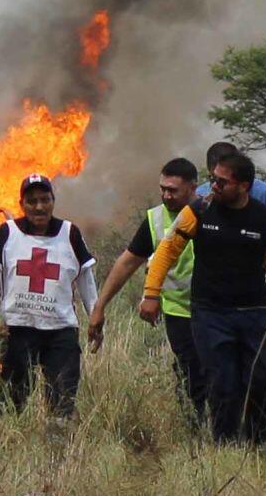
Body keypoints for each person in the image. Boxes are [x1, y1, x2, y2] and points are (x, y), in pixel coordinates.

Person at [142, 153, 266, 445]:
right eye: (213, 178)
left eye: (222, 182)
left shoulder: (263, 217)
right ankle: (225, 444)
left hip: (254, 312)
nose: (213, 186)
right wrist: (151, 293)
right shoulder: (199, 210)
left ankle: (255, 440)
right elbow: (166, 251)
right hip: (211, 313)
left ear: (244, 186)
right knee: (224, 383)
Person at [87, 158, 207, 426]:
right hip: (178, 310)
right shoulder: (155, 219)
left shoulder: (211, 213)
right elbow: (128, 262)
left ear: (192, 187)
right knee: (190, 372)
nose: (166, 195)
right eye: (163, 188)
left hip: (215, 310)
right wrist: (100, 306)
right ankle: (196, 431)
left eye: (173, 190)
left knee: (219, 369)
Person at [0, 173, 97, 418]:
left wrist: (95, 315)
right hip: (18, 329)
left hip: (61, 330)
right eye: (32, 201)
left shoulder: (70, 233)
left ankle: (58, 448)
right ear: (21, 205)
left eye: (45, 199)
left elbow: (85, 277)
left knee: (63, 399)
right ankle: (11, 447)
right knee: (13, 401)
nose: (39, 207)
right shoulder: (6, 233)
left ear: (53, 201)